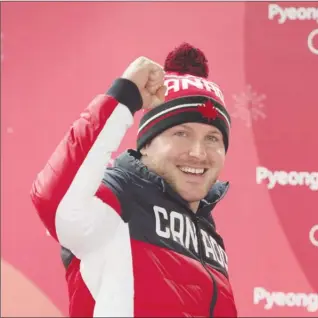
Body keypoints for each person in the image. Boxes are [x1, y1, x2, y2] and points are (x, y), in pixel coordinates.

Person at [30, 43, 237, 317]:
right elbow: (54, 201)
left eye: (212, 138)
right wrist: (123, 98)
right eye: (181, 134)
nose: (198, 153)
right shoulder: (119, 199)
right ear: (147, 146)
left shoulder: (208, 231)